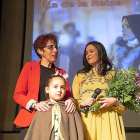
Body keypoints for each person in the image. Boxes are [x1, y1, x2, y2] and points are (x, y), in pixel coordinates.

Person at [13, 33, 75, 140]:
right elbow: (18, 95)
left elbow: (68, 93)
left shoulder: (61, 72)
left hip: (55, 120)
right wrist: (35, 105)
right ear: (40, 50)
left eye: (56, 47)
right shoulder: (30, 67)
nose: (55, 50)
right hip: (32, 119)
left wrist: (70, 100)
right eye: (50, 47)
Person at [72, 41, 126, 140]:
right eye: (86, 53)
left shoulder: (114, 75)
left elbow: (123, 107)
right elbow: (73, 102)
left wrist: (115, 102)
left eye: (91, 51)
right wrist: (82, 103)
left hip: (109, 122)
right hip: (87, 121)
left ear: (100, 53)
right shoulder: (80, 75)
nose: (88, 54)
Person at [24, 74, 85, 140]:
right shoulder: (42, 109)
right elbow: (36, 134)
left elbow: (76, 133)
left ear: (65, 92)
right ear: (47, 89)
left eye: (62, 87)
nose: (59, 90)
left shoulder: (70, 109)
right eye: (55, 87)